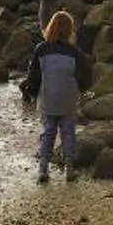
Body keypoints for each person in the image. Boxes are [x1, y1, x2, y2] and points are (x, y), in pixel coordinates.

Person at [21, 11, 96, 184]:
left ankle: (43, 169)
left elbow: (34, 76)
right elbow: (86, 75)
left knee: (48, 133)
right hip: (68, 99)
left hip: (48, 98)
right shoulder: (75, 53)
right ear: (70, 31)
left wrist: (31, 92)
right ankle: (70, 169)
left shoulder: (41, 49)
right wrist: (82, 89)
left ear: (50, 27)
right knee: (68, 134)